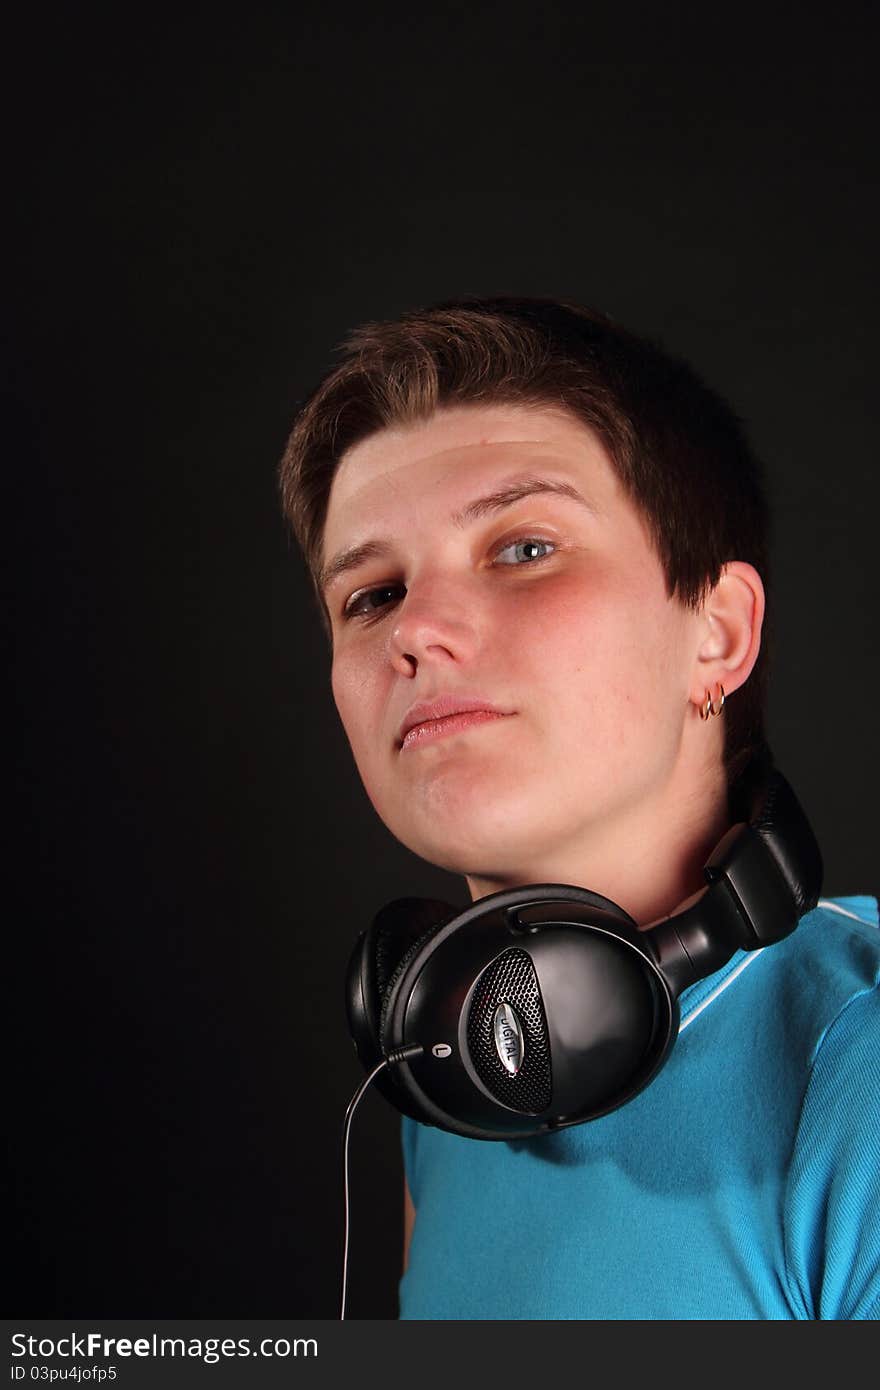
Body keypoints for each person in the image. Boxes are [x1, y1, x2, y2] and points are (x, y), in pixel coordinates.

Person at [278, 296, 879, 1320]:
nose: (414, 629)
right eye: (369, 595)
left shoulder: (855, 1070)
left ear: (717, 634)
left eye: (523, 549)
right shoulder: (454, 1064)